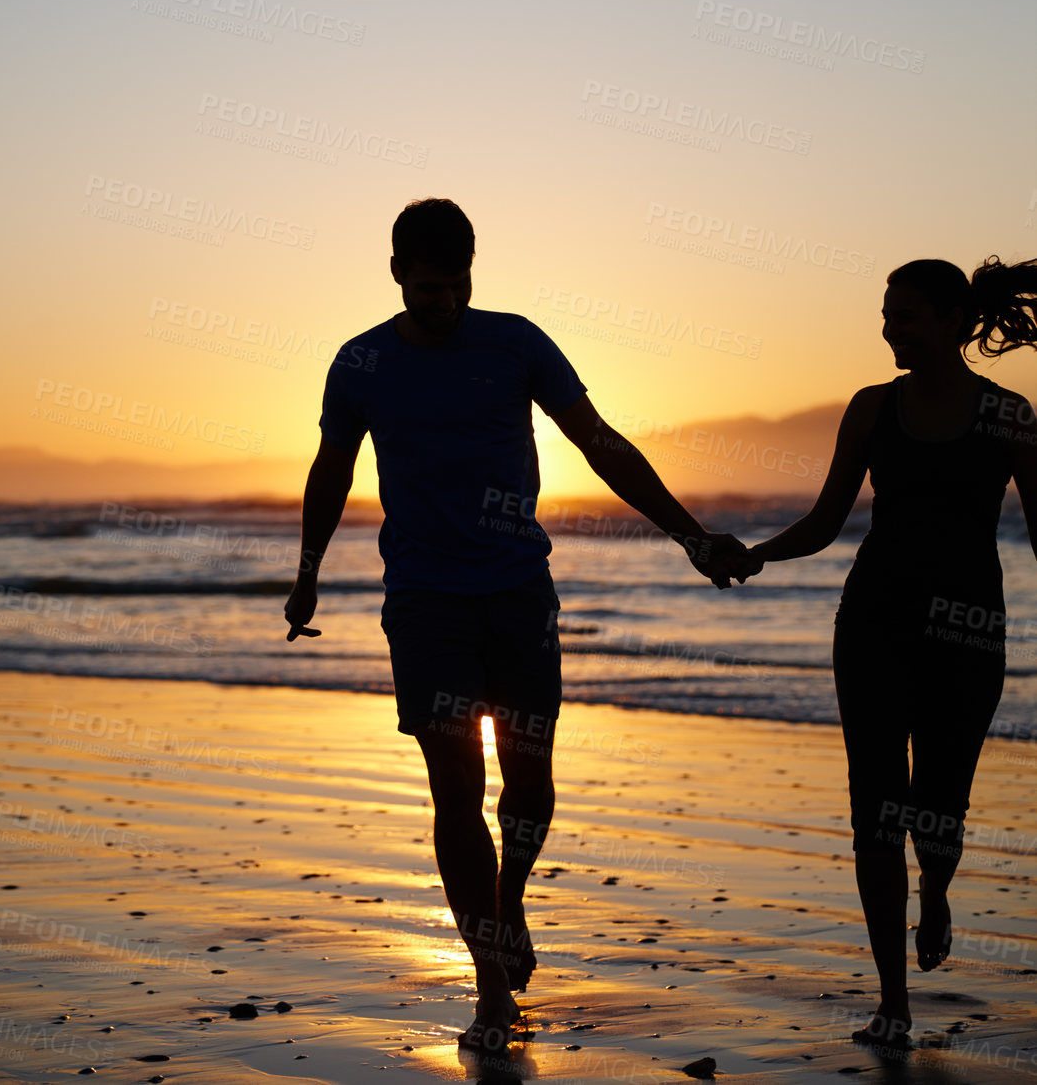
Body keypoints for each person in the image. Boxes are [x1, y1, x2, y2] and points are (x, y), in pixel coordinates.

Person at [283, 198, 749, 1050]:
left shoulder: (518, 342)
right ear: (396, 274)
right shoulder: (361, 363)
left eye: (454, 285)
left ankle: (511, 900)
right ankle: (490, 982)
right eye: (425, 287)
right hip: (424, 602)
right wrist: (308, 572)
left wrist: (689, 535)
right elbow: (330, 469)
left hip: (517, 593)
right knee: (456, 789)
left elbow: (601, 444)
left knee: (528, 783)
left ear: (472, 273)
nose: (441, 301)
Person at [726, 257, 1037, 1057]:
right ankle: (892, 1002)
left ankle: (935, 890)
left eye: (901, 315)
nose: (888, 328)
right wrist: (757, 555)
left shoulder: (1008, 415)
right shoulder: (871, 410)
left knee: (938, 812)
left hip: (968, 636)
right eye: (886, 313)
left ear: (947, 321)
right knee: (876, 814)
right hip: (873, 627)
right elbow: (829, 520)